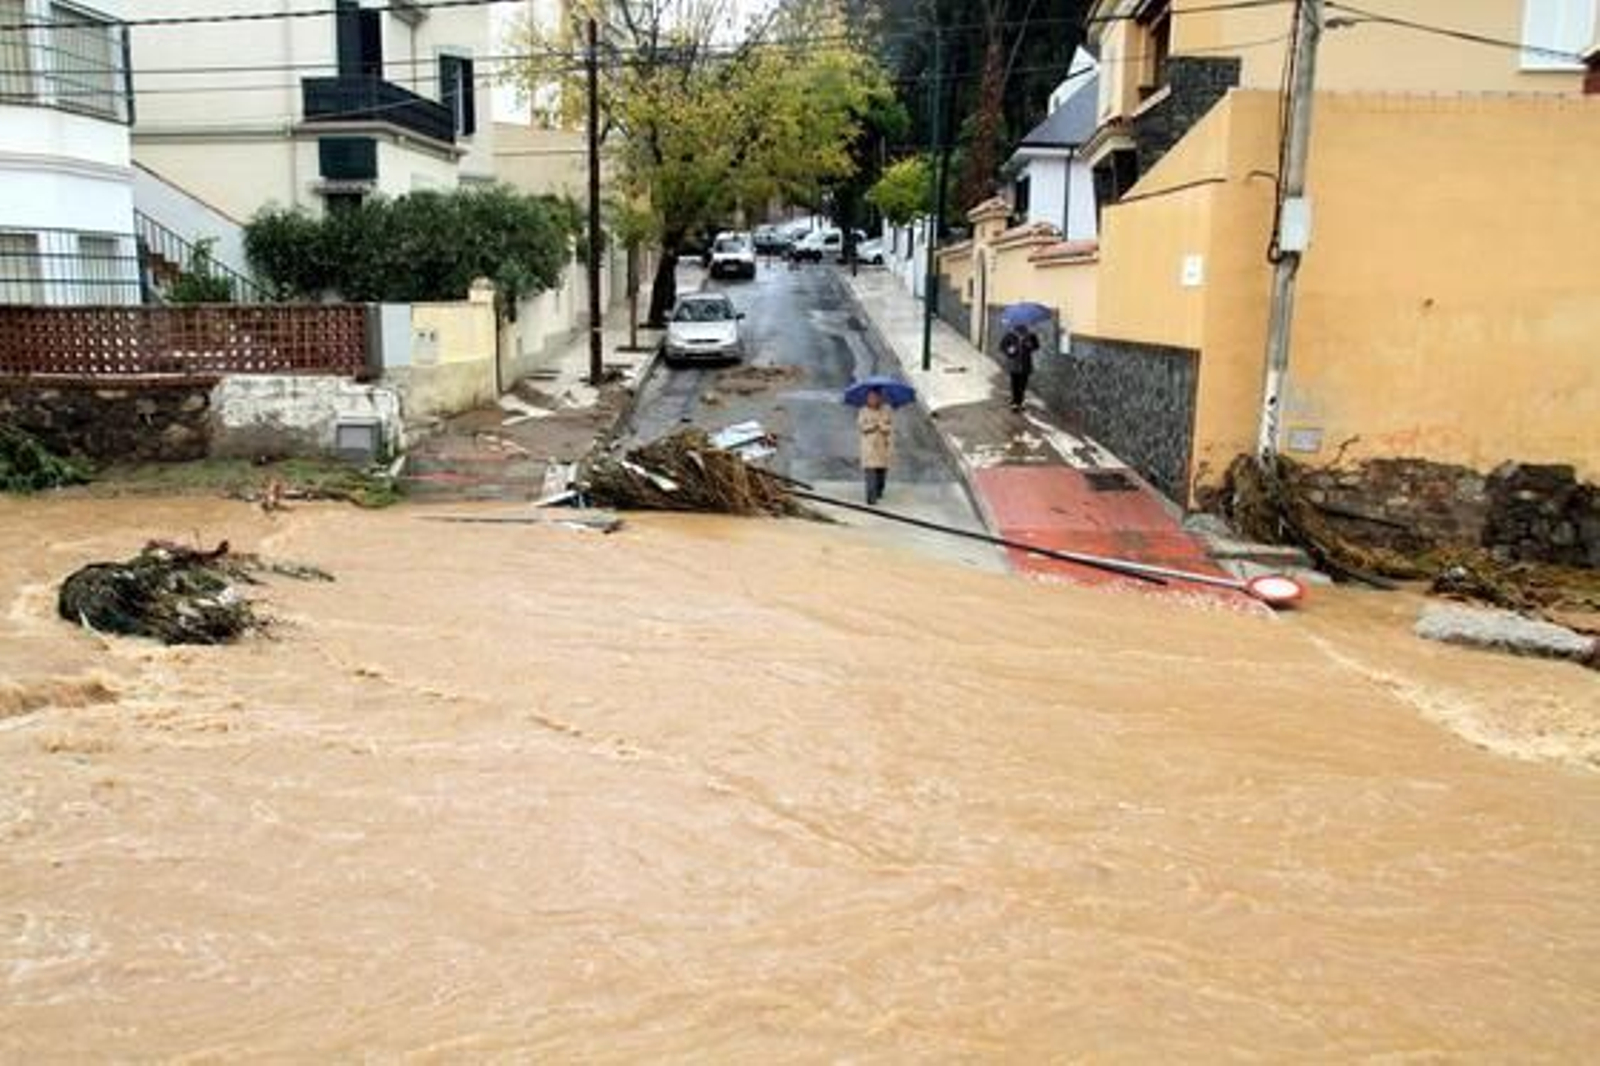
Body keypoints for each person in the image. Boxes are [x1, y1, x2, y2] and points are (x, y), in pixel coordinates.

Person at [857, 387, 894, 505]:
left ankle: (879, 490)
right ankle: (871, 497)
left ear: (880, 398)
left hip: (882, 447)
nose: (872, 400)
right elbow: (861, 427)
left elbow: (889, 427)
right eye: (870, 397)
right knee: (870, 472)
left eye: (875, 397)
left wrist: (882, 425)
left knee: (880, 473)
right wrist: (873, 426)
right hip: (868, 447)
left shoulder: (886, 410)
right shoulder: (863, 411)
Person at [1000, 325, 1039, 412]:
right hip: (1014, 364)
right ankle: (1014, 402)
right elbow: (1002, 346)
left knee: (1023, 385)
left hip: (1025, 364)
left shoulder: (1031, 335)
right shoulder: (1010, 335)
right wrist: (1009, 350)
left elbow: (1036, 346)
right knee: (1015, 384)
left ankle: (1020, 402)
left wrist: (1030, 345)